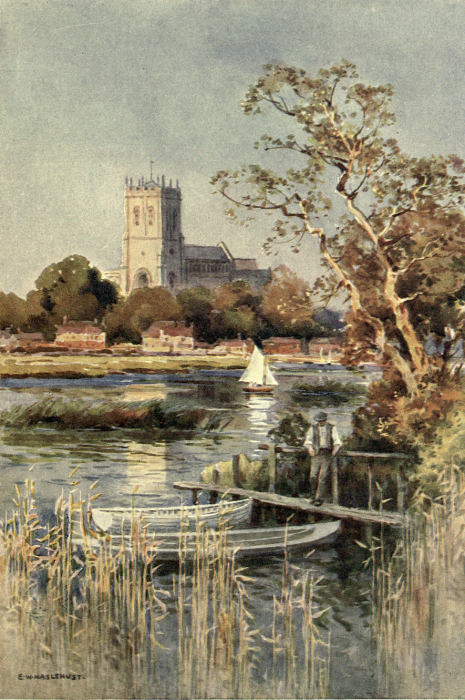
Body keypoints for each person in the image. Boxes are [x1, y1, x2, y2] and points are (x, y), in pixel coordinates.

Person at [303, 411, 342, 506]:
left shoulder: (332, 428)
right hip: (316, 453)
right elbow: (308, 441)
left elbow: (337, 442)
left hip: (327, 454)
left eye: (322, 421)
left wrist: (333, 452)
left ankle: (319, 498)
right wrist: (310, 448)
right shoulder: (313, 428)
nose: (321, 422)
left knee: (323, 476)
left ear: (325, 420)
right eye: (319, 421)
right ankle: (312, 496)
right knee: (313, 475)